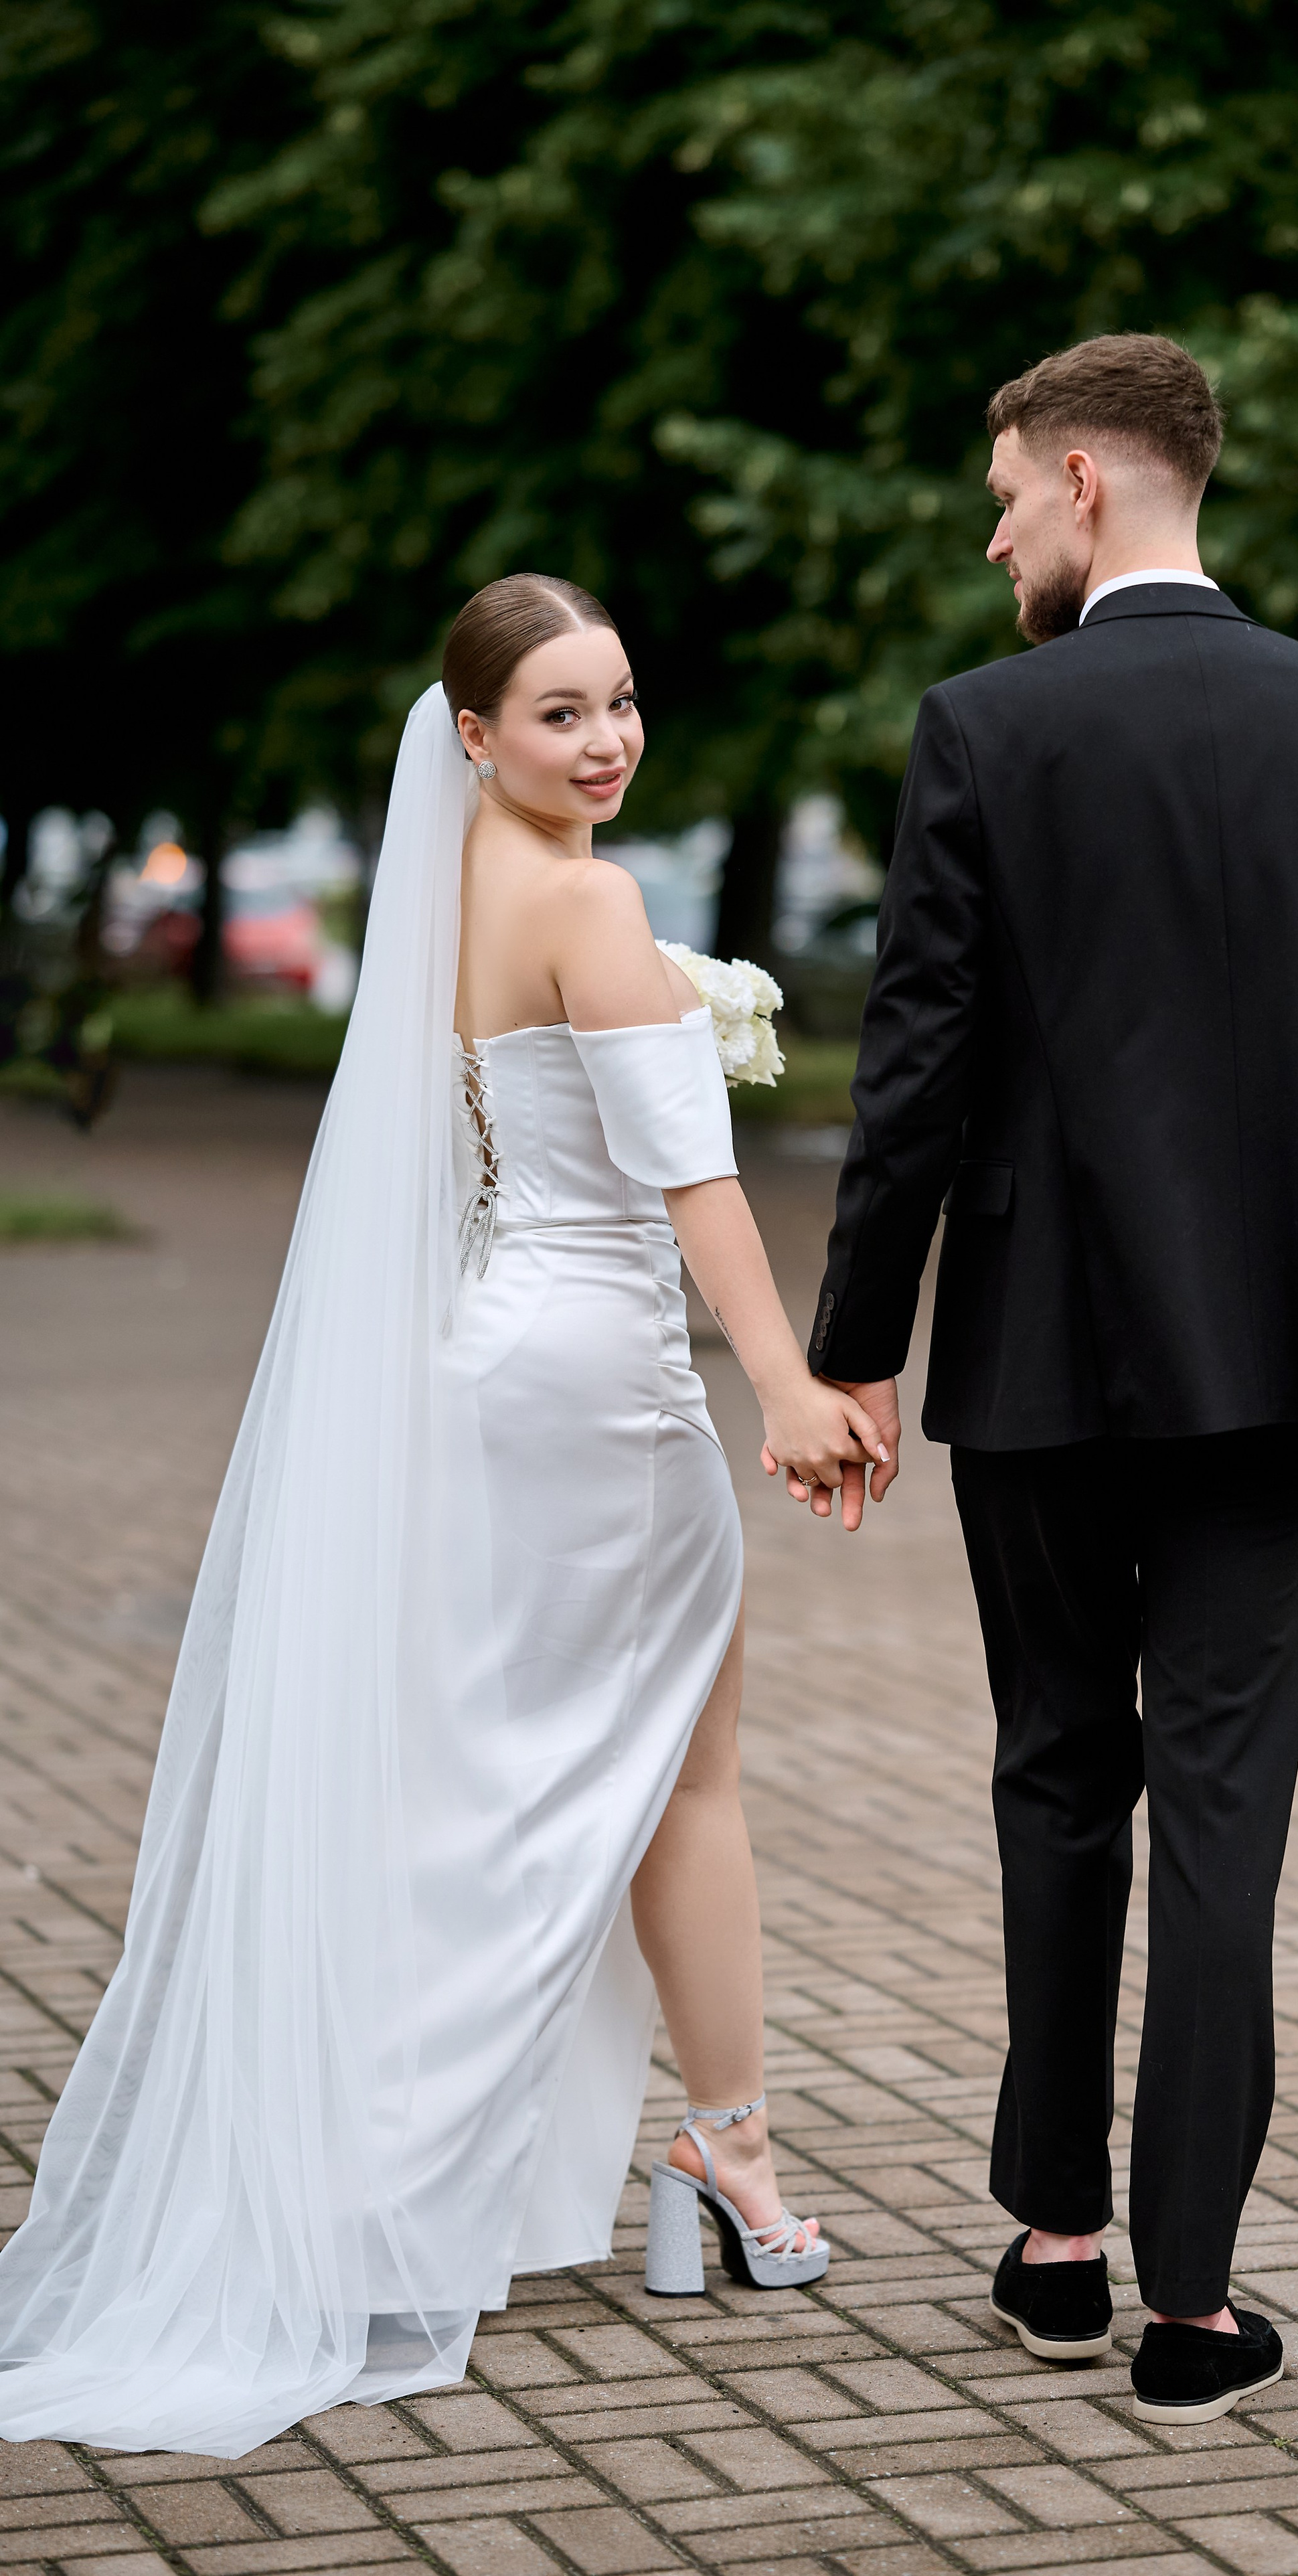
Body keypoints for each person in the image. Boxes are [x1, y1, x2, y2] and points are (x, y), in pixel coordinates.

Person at [0, 574, 884, 2458]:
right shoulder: (585, 895)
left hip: (494, 1358)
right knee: (681, 1776)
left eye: (624, 701)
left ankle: (471, 2164)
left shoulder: (457, 883)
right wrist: (791, 1386)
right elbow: (691, 1178)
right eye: (563, 713)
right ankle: (718, 2153)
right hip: (607, 1391)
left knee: (514, 1775)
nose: (610, 739)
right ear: (472, 732)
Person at [809, 334, 1298, 2425]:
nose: (997, 531)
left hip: (1034, 1344)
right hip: (1288, 1360)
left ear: (1094, 480)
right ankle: (1195, 2306)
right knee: (1223, 1808)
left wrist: (853, 1347)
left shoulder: (986, 729)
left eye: (1009, 493)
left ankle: (1052, 2238)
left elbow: (914, 1071)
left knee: (1054, 1771)